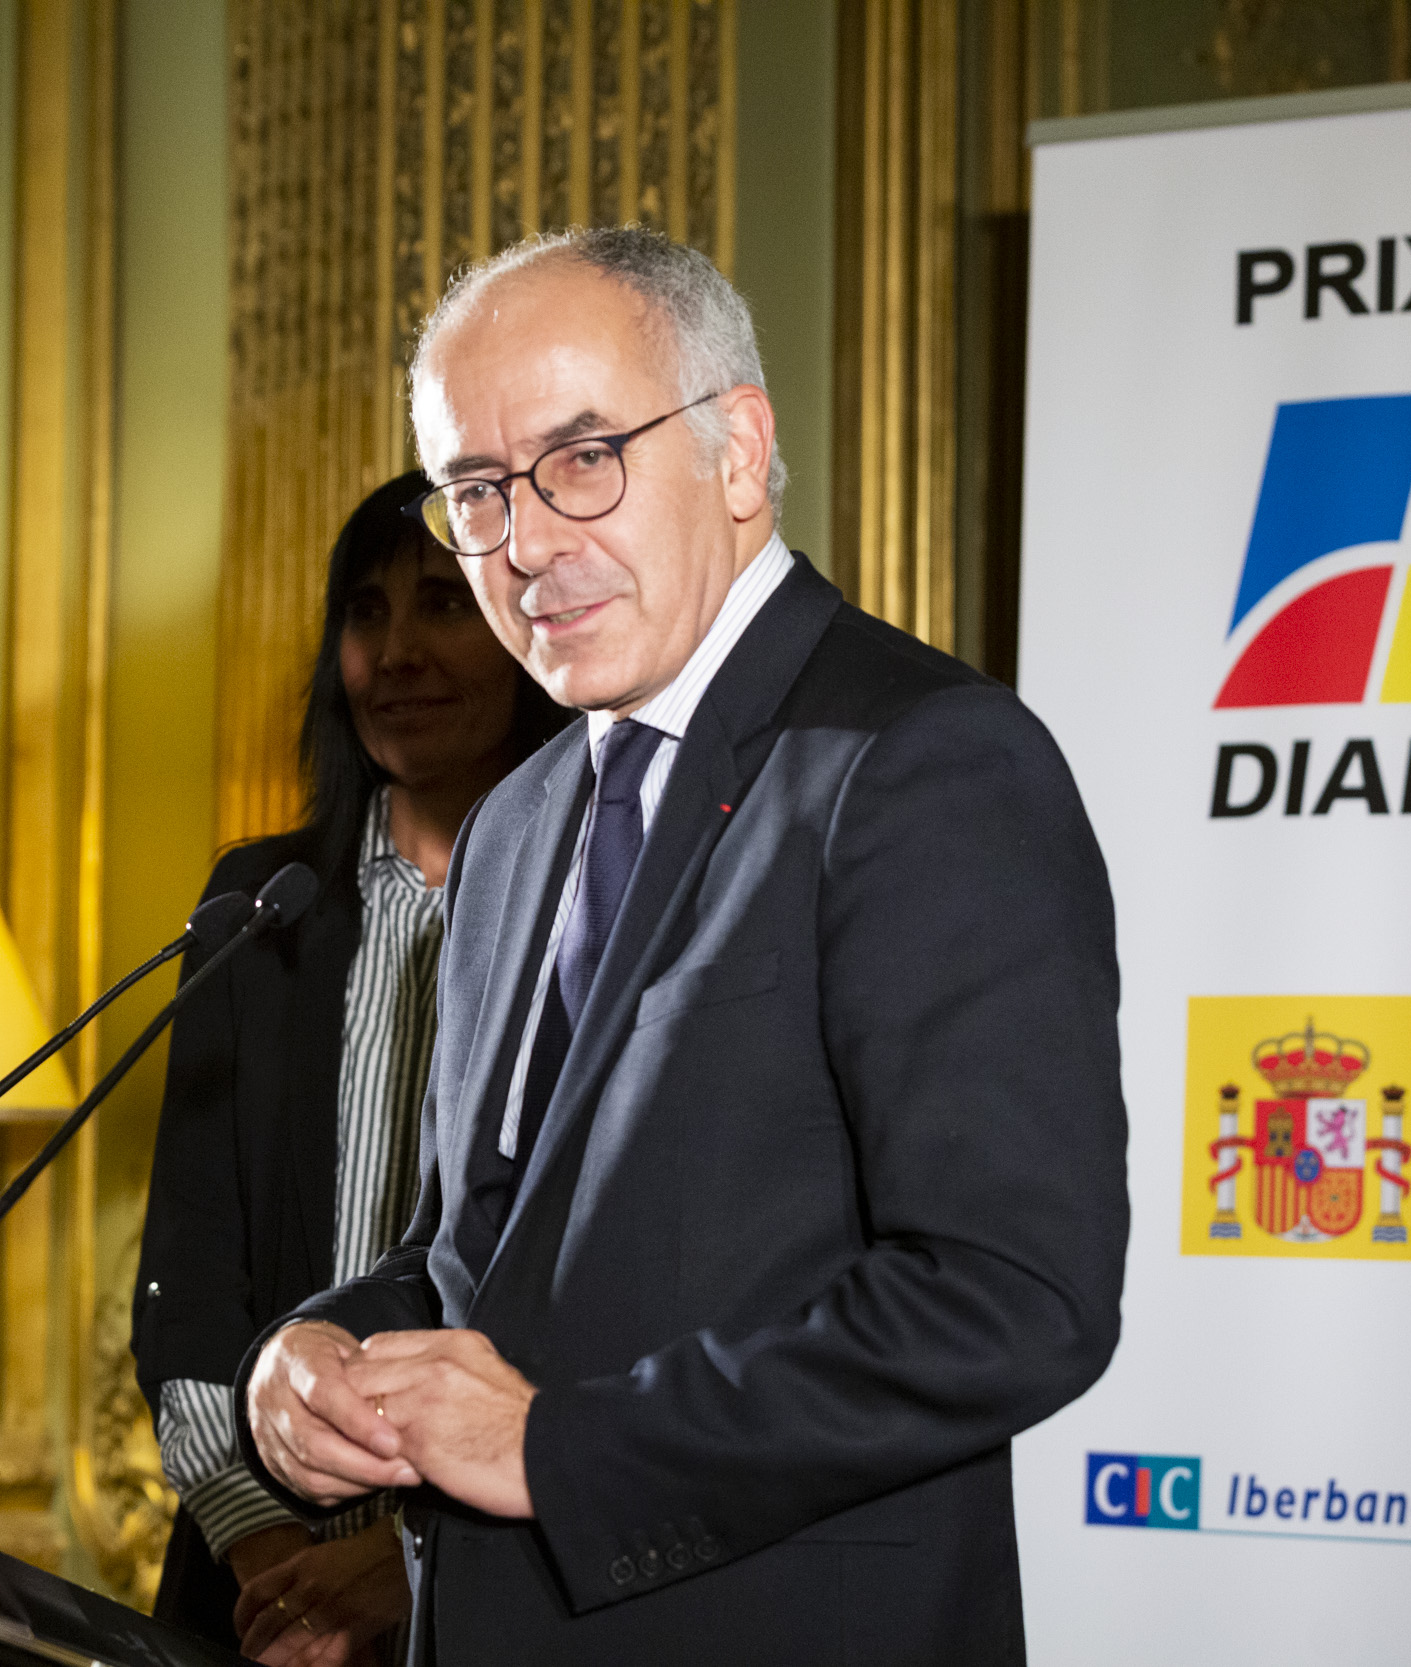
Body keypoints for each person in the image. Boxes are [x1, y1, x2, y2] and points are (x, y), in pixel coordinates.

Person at [236, 226, 1131, 1665]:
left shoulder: (925, 761)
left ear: (739, 452)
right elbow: (485, 1251)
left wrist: (557, 1450)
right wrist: (319, 1348)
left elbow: (1013, 1296)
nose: (526, 543)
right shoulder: (515, 818)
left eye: (583, 458)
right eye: (476, 490)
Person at [132, 470, 567, 1664]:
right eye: (365, 613)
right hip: (254, 1598)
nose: (396, 653)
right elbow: (188, 1279)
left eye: (442, 604)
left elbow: (596, 1303)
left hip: (506, 1581)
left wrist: (406, 1560)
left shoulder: (605, 908)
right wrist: (276, 1564)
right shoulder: (256, 904)